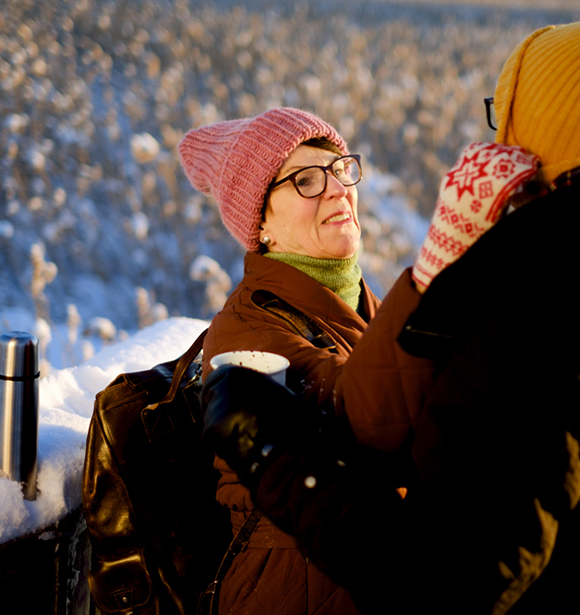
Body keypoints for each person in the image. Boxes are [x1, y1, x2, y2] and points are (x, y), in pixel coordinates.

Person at [203, 19, 580, 615]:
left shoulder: (530, 308)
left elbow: (444, 584)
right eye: (306, 180)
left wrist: (273, 456)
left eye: (509, 112)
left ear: (542, 126)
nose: (338, 189)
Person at [177, 108, 537, 615]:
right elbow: (358, 422)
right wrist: (440, 263)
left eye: (340, 169)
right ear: (261, 226)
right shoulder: (248, 330)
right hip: (292, 590)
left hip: (353, 570)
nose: (336, 189)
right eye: (304, 180)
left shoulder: (355, 300)